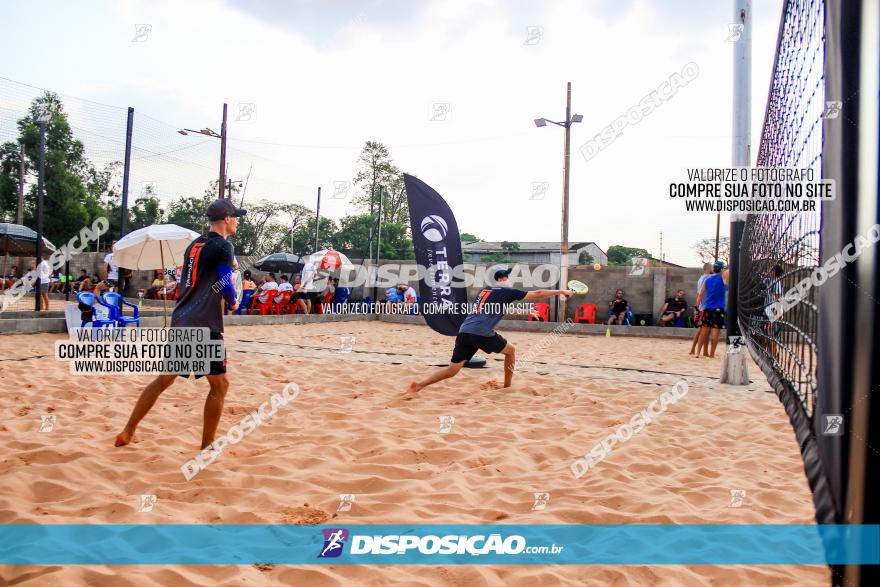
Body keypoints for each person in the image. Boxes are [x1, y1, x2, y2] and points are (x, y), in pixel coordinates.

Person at [115, 198, 245, 449]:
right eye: (236, 217)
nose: (238, 221)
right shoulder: (223, 247)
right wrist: (232, 301)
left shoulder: (193, 246)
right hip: (204, 324)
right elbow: (225, 281)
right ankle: (207, 446)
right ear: (227, 219)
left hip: (182, 319)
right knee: (220, 384)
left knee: (164, 380)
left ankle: (128, 430)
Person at [404, 268, 573, 396]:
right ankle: (507, 388)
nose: (508, 280)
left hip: (465, 331)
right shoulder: (507, 291)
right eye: (507, 277)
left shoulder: (485, 291)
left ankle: (418, 385)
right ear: (502, 279)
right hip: (481, 332)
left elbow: (503, 309)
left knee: (452, 370)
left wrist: (526, 312)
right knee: (511, 351)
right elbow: (538, 293)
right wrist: (560, 291)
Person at [695, 260, 730, 358]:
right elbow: (730, 270)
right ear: (721, 269)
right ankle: (711, 354)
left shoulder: (707, 279)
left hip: (707, 308)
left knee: (704, 331)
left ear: (714, 269)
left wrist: (696, 307)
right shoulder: (722, 277)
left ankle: (698, 353)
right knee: (716, 332)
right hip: (718, 309)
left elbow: (700, 295)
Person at [689, 262, 713, 356]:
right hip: (705, 306)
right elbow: (701, 294)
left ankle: (696, 350)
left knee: (702, 329)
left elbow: (698, 294)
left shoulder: (700, 278)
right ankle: (702, 351)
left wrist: (697, 307)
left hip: (701, 306)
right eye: (711, 267)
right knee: (704, 330)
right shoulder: (707, 278)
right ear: (709, 268)